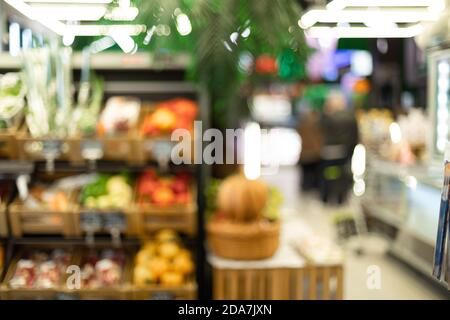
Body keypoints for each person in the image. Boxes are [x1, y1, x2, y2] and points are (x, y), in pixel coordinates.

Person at [319, 90, 359, 204]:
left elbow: (321, 133)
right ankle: (341, 197)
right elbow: (355, 136)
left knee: (329, 174)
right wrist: (351, 149)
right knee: (342, 174)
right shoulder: (351, 117)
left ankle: (327, 197)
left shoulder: (327, 117)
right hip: (344, 152)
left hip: (328, 152)